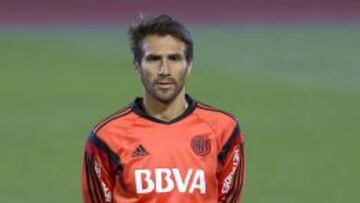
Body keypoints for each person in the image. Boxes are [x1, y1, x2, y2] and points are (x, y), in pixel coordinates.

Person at [81, 14, 245, 203]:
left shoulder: (223, 130)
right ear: (137, 66)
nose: (164, 70)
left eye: (174, 58)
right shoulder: (107, 137)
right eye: (153, 59)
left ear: (189, 65)